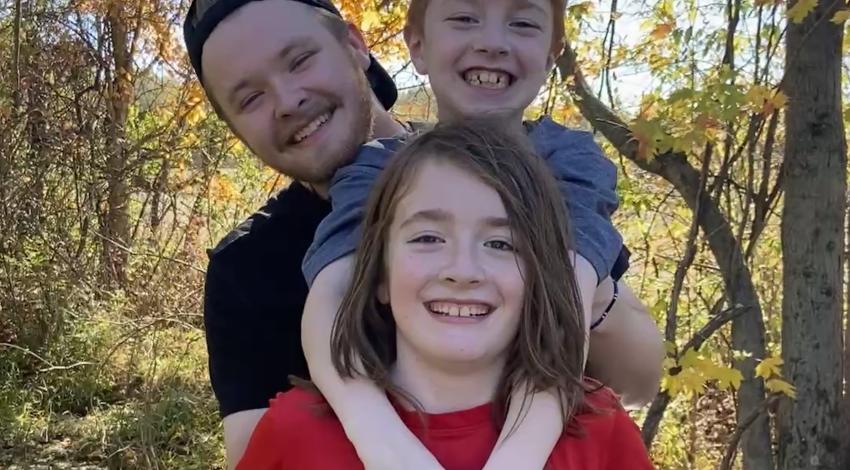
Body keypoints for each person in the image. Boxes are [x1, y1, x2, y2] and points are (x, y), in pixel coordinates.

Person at [182, 0, 662, 467]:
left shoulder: (559, 165)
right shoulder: (245, 269)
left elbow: (636, 380)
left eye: (301, 60)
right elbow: (266, 447)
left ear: (354, 44)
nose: (288, 102)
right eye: (250, 98)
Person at [237, 120, 655, 470]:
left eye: (500, 244)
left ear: (539, 278)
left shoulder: (600, 431)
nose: (462, 271)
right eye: (427, 237)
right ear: (379, 275)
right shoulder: (295, 434)